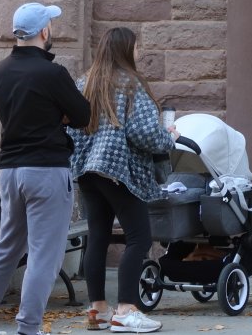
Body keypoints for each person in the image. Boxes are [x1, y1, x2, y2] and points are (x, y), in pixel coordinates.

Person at [0, 3, 91, 335]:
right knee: (44, 256)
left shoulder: (0, 71)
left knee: (6, 248)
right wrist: (59, 115)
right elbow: (84, 117)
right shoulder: (53, 73)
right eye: (51, 24)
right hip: (46, 171)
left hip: (11, 171)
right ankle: (28, 329)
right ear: (44, 31)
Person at [69, 27, 177, 334]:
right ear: (125, 50)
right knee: (139, 238)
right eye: (137, 47)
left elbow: (72, 129)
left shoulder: (84, 82)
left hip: (88, 171)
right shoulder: (131, 84)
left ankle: (97, 311)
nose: (140, 52)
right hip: (118, 172)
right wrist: (168, 138)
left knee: (98, 237)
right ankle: (127, 311)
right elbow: (143, 133)